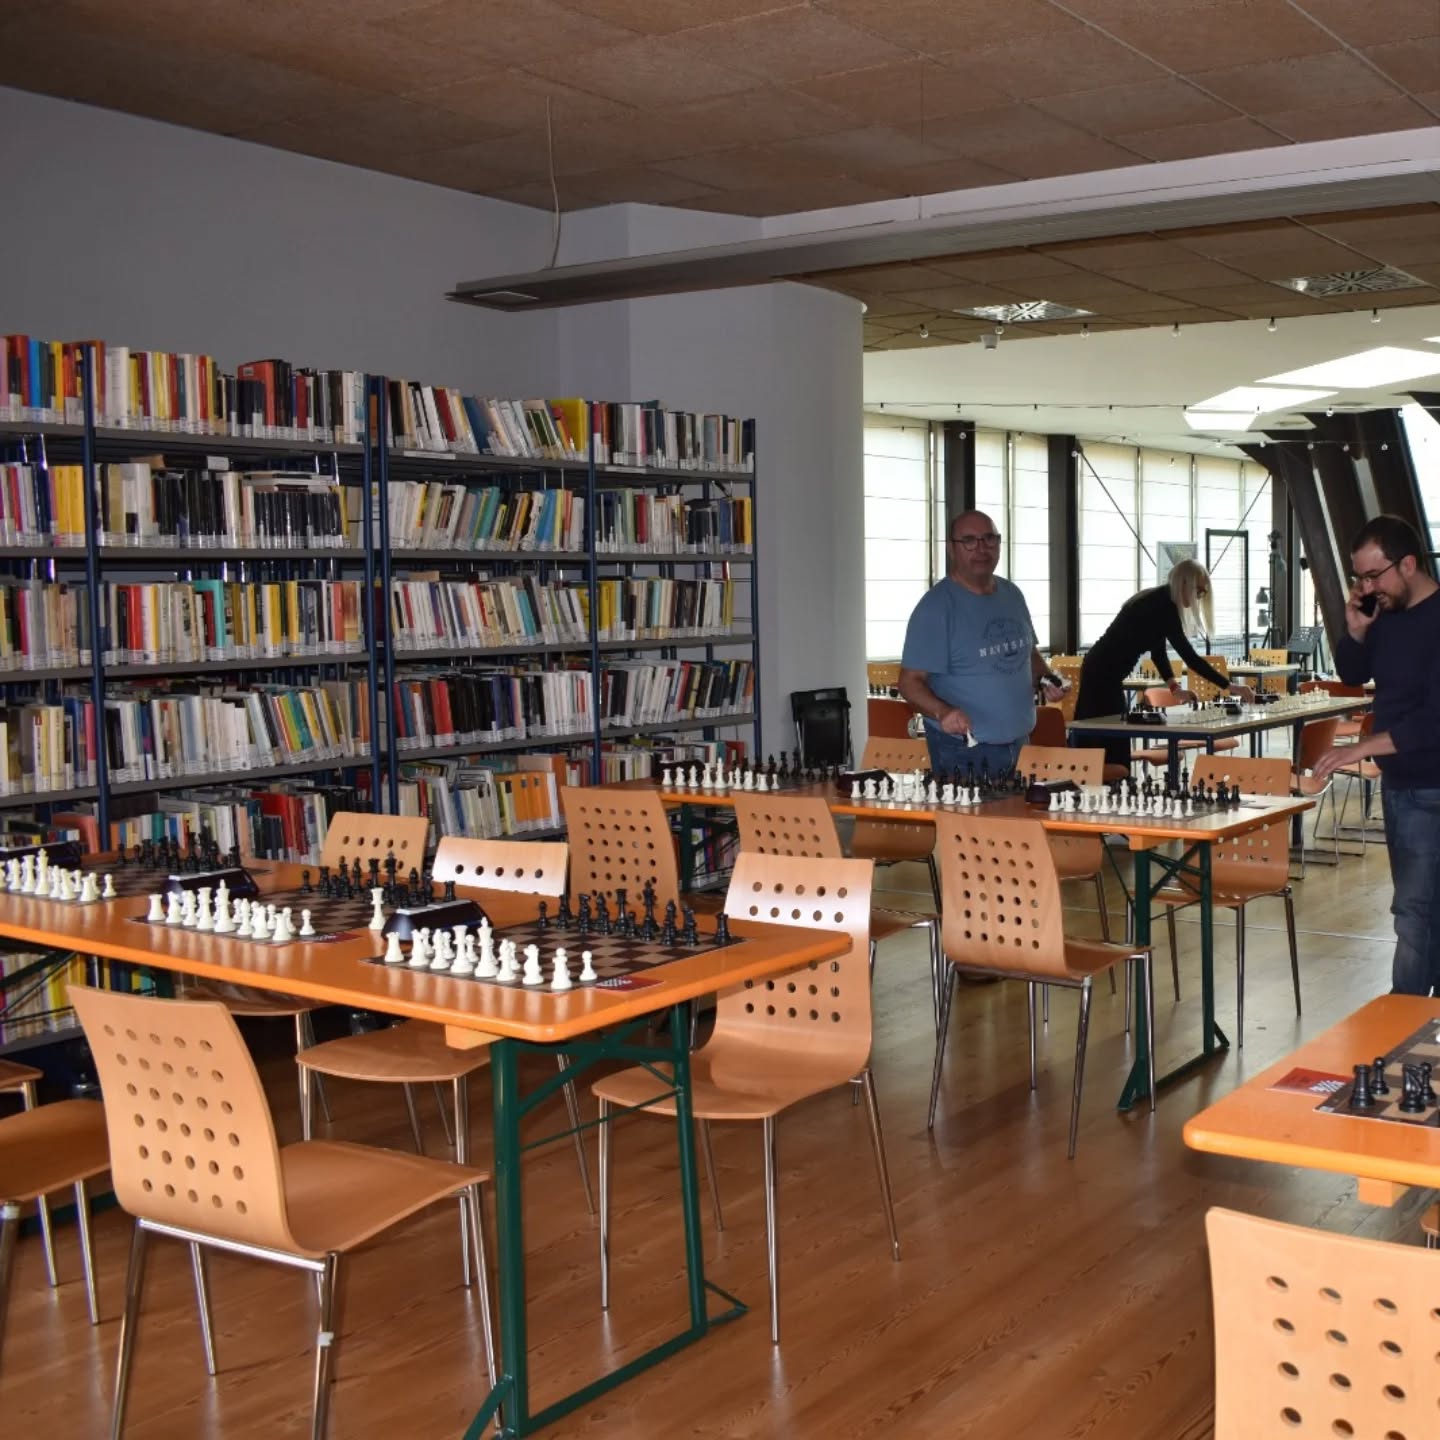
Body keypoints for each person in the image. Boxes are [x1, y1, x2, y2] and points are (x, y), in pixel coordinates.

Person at [1312, 514, 1440, 996]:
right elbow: (1352, 673)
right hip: (1402, 783)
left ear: (1407, 564)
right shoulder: (1382, 614)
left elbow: (1434, 721)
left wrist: (1362, 746)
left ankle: (1403, 1021)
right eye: (1358, 577)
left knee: (1414, 912)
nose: (1366, 587)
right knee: (1420, 910)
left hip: (1431, 781)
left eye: (1374, 576)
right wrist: (1357, 630)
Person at [899, 510, 1065, 775]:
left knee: (1022, 818)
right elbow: (909, 682)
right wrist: (943, 712)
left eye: (989, 539)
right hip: (964, 751)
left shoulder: (1012, 594)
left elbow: (1027, 653)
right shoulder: (936, 607)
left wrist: (1047, 680)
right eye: (969, 540)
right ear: (952, 549)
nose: (981, 548)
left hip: (1021, 745)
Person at [1074, 558, 1231, 769]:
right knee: (1108, 743)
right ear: (1185, 584)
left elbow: (1158, 652)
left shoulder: (1158, 600)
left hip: (1102, 671)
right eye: (1199, 591)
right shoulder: (1164, 607)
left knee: (1111, 742)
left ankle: (1111, 788)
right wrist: (1229, 686)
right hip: (1102, 675)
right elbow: (1190, 657)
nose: (1199, 597)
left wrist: (1174, 687)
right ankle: (1108, 790)